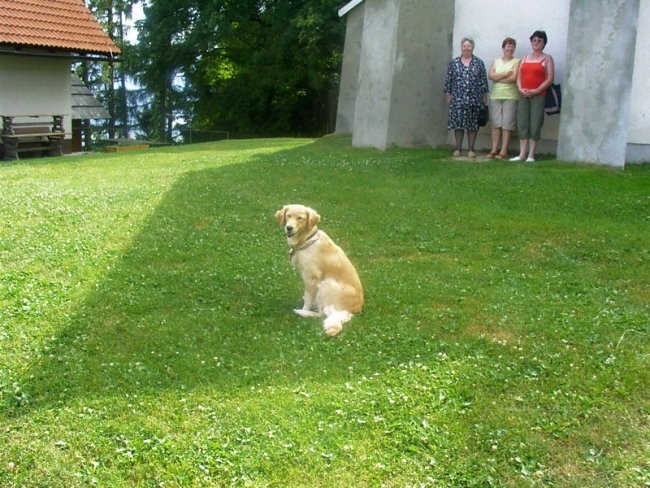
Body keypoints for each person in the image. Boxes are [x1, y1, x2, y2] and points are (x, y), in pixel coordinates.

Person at [510, 30, 554, 162]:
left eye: (539, 40)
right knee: (522, 122)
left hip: (539, 95)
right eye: (534, 40)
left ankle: (531, 155)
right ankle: (522, 154)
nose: (536, 43)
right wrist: (520, 88)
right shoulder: (524, 57)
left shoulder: (547, 58)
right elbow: (519, 75)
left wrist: (536, 90)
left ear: (544, 43)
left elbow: (549, 78)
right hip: (523, 94)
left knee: (535, 123)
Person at [444, 37, 489, 159]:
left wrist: (484, 97)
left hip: (474, 99)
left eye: (469, 46)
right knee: (458, 124)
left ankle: (471, 149)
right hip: (457, 99)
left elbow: (483, 81)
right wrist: (448, 94)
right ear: (461, 47)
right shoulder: (454, 63)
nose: (466, 48)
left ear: (473, 48)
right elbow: (448, 80)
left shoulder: (479, 63)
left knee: (472, 125)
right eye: (464, 45)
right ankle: (458, 148)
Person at [487, 37, 520, 159]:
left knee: (507, 124)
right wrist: (506, 74)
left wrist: (498, 77)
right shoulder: (496, 61)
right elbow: (491, 76)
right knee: (496, 123)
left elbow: (514, 78)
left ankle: (504, 150)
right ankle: (494, 149)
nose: (510, 49)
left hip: (510, 96)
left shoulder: (517, 62)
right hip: (495, 95)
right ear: (503, 48)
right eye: (507, 46)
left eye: (512, 47)